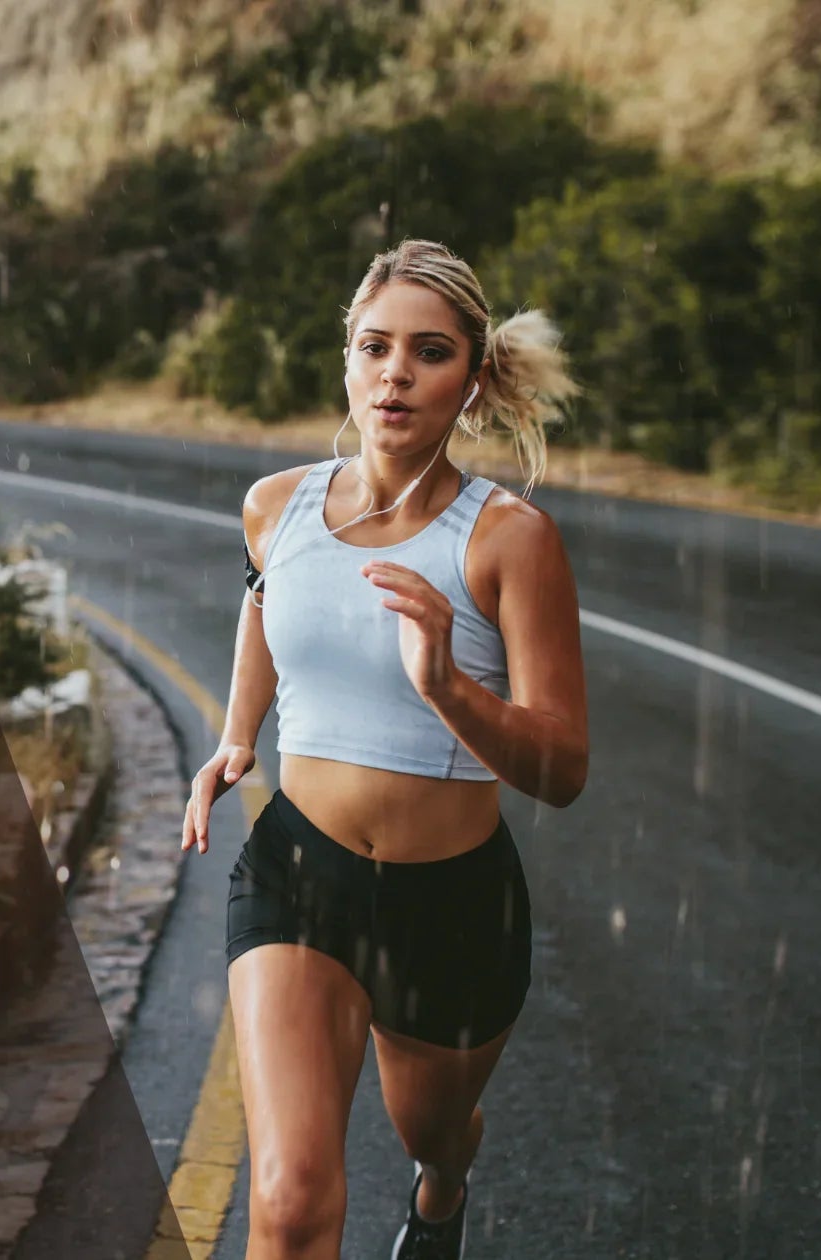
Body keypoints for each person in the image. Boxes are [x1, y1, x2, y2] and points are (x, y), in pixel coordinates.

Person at [179, 238, 590, 1260]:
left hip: (451, 907)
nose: (394, 373)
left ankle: (442, 1189)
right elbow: (265, 599)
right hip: (297, 875)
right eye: (373, 347)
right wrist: (236, 733)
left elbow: (561, 768)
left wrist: (447, 685)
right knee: (285, 1196)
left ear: (472, 378)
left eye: (428, 351)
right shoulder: (273, 507)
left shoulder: (507, 541)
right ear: (346, 361)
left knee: (433, 1132)